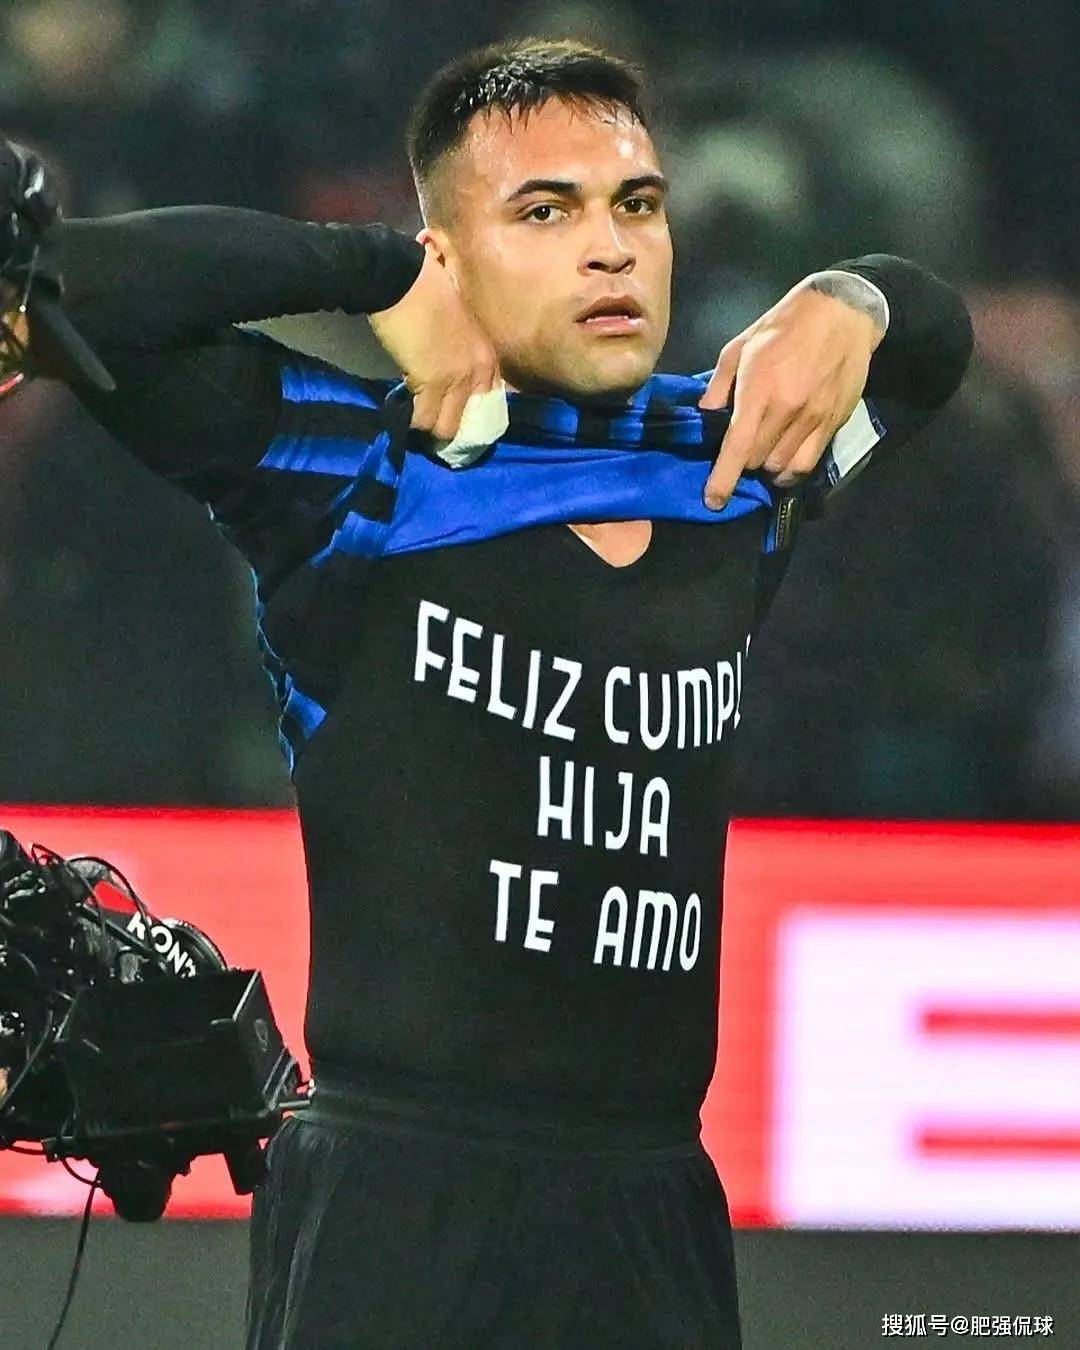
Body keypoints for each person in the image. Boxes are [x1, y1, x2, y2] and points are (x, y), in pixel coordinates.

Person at [0, 38, 972, 1350]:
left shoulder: (744, 460)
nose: (612, 248)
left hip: (655, 1205)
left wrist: (852, 296)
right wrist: (374, 271)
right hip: (399, 1204)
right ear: (451, 258)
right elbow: (54, 286)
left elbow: (932, 343)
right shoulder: (350, 463)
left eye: (637, 204)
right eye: (545, 212)